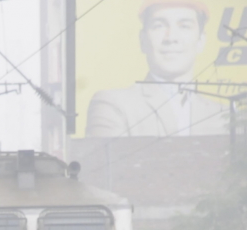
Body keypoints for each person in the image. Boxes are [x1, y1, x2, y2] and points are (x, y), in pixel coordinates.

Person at [86, 0, 227, 138]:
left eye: (184, 26)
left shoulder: (224, 118)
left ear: (201, 41)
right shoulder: (113, 106)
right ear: (143, 40)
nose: (171, 37)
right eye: (159, 26)